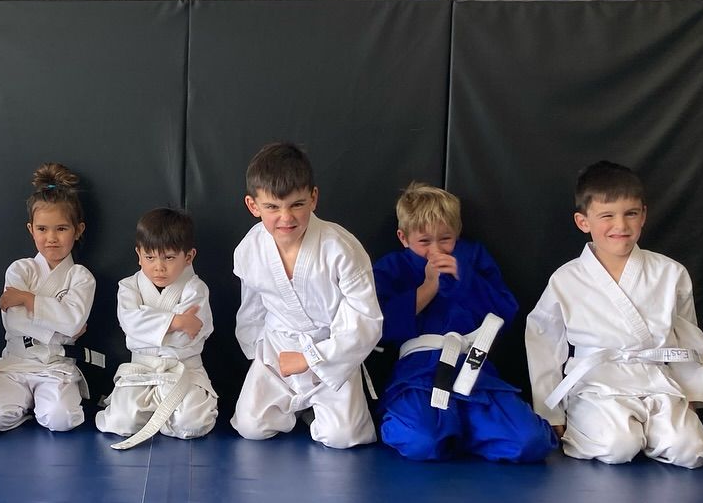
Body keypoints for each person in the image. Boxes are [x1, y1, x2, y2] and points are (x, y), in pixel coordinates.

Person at [525, 161, 703, 468]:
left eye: (630, 213)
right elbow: (543, 342)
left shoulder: (670, 273)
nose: (621, 226)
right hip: (597, 384)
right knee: (618, 447)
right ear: (583, 221)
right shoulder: (566, 279)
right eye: (607, 216)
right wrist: (550, 411)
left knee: (690, 450)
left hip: (657, 380)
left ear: (643, 215)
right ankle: (620, 429)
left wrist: (693, 394)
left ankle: (659, 428)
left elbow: (688, 337)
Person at [372, 183, 555, 462]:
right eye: (424, 242)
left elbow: (505, 312)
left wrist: (464, 279)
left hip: (474, 367)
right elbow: (377, 327)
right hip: (419, 373)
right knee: (421, 441)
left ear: (457, 233)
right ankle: (447, 430)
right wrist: (427, 288)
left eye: (445, 239)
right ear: (404, 237)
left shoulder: (472, 258)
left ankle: (461, 430)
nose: (436, 250)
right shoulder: (392, 268)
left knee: (530, 442)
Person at [231, 142, 383, 448]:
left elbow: (366, 318)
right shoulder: (249, 249)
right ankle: (298, 408)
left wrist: (311, 358)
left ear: (313, 198)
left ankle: (315, 411)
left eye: (296, 204)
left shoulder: (341, 247)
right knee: (252, 426)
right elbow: (251, 311)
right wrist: (260, 354)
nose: (286, 218)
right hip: (277, 349)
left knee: (343, 437)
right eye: (272, 207)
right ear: (253, 205)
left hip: (331, 349)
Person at [0, 164, 96, 433]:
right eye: (42, 229)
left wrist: (28, 299)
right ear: (31, 229)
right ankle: (27, 409)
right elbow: (15, 323)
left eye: (61, 229)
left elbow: (72, 320)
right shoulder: (20, 269)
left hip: (56, 365)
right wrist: (64, 325)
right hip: (16, 362)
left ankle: (42, 407)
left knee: (61, 420)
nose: (51, 238)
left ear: (78, 230)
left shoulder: (81, 277)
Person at [95, 207, 217, 447]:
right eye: (150, 257)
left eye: (169, 257)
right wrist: (176, 321)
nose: (158, 267)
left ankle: (165, 414)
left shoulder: (196, 289)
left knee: (193, 423)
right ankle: (161, 415)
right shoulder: (129, 286)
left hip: (183, 369)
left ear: (189, 257)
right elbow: (129, 324)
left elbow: (188, 339)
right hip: (141, 368)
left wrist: (148, 327)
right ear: (139, 254)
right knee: (122, 422)